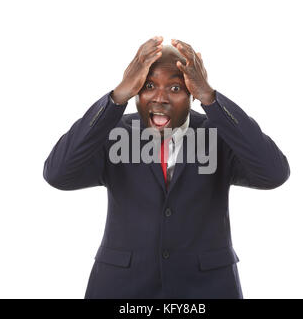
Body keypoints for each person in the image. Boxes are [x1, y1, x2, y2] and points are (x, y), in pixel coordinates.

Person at [43, 36, 290, 299]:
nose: (159, 98)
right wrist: (116, 98)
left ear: (192, 93)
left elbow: (273, 173)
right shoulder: (113, 133)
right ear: (136, 89)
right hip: (122, 288)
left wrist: (211, 98)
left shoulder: (219, 135)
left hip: (206, 290)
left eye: (175, 88)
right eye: (149, 85)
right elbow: (58, 173)